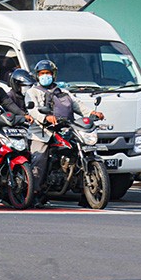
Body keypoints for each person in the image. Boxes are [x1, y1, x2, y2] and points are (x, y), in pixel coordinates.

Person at [25, 60, 105, 205]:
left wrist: (92, 113)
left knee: (80, 152)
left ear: (53, 75)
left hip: (65, 130)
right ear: (37, 76)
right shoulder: (32, 92)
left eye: (48, 73)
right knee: (39, 159)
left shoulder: (63, 92)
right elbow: (33, 110)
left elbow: (77, 105)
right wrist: (46, 117)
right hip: (41, 132)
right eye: (42, 74)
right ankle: (35, 192)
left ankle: (84, 194)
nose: (45, 76)